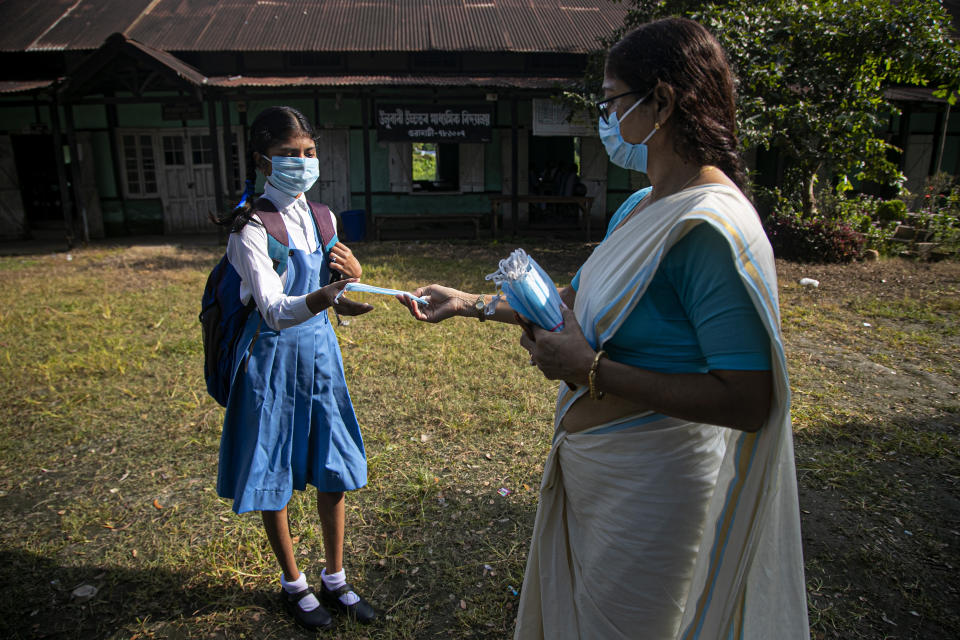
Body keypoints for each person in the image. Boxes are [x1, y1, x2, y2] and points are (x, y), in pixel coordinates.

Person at [399, 18, 808, 640]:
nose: (607, 117)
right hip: (599, 470)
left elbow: (748, 400)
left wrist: (588, 370)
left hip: (657, 487)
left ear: (662, 102)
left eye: (613, 101)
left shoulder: (707, 228)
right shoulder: (641, 205)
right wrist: (466, 302)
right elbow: (573, 298)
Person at [211, 106, 378, 631]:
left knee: (333, 467)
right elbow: (275, 309)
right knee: (274, 470)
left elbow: (339, 299)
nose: (302, 163)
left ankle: (335, 576)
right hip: (270, 362)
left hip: (322, 358)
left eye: (309, 152)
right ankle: (294, 584)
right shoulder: (250, 229)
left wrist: (354, 280)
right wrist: (328, 295)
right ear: (263, 160)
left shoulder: (323, 217)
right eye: (288, 154)